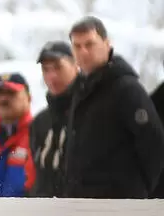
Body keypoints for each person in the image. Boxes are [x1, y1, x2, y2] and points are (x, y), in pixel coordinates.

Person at [62, 16, 164, 198]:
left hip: (119, 201)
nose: (83, 52)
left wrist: (141, 190)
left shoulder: (126, 88)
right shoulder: (79, 91)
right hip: (81, 200)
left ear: (107, 44)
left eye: (89, 44)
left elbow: (154, 141)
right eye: (77, 46)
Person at [29, 41, 78, 197]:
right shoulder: (40, 122)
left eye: (58, 67)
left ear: (75, 65)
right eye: (46, 69)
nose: (51, 76)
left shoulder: (89, 114)